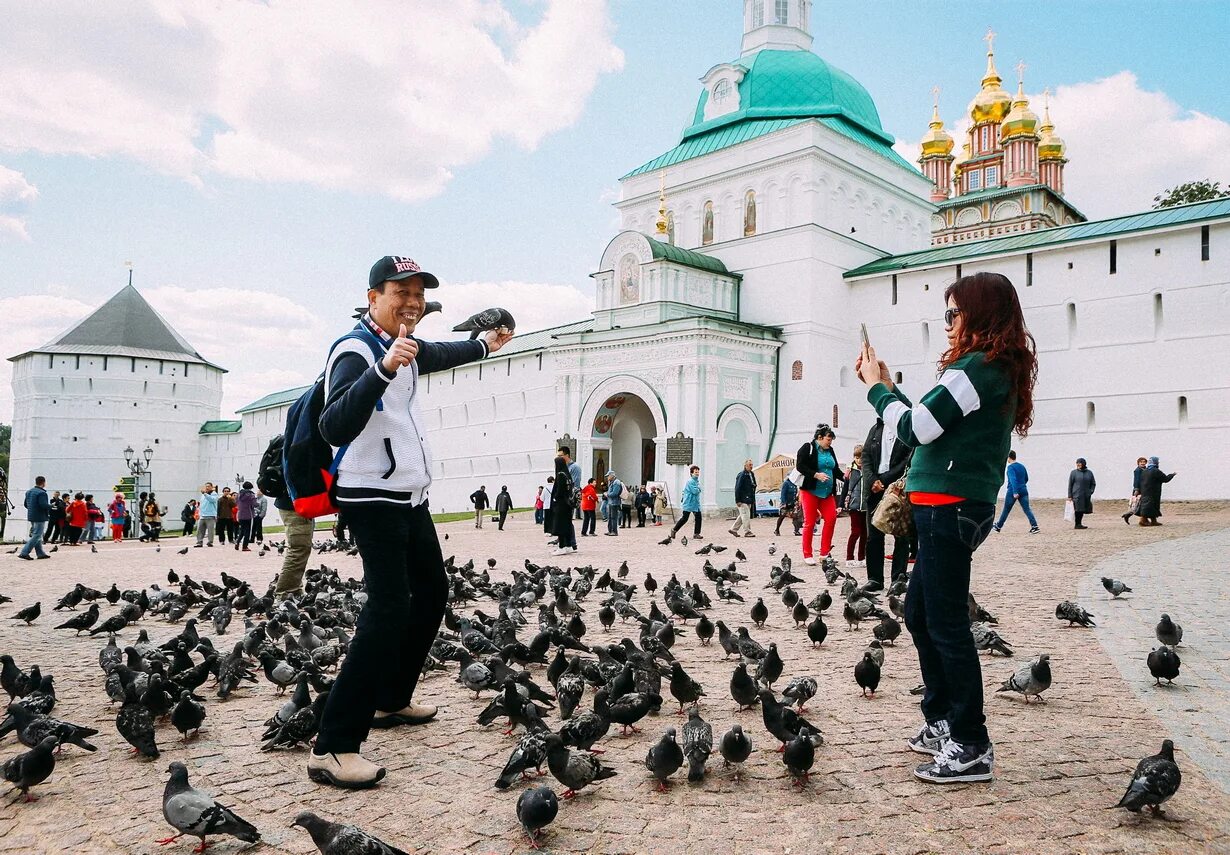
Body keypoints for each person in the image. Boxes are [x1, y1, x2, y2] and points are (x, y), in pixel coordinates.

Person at [307, 253, 511, 789]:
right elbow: (334, 425)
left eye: (419, 296)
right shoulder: (354, 350)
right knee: (389, 607)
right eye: (401, 293)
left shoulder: (406, 345)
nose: (413, 304)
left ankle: (391, 700)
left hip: (407, 495)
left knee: (433, 592)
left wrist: (487, 344)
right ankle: (332, 746)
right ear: (374, 296)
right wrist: (383, 369)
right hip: (371, 496)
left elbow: (444, 352)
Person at [858, 270, 1038, 786]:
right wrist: (890, 387)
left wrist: (875, 390)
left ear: (977, 315)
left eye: (953, 313)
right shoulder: (990, 369)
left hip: (949, 506)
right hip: (954, 504)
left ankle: (971, 742)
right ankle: (942, 719)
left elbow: (917, 428)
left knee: (946, 623)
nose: (948, 324)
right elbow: (931, 422)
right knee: (919, 611)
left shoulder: (975, 369)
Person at [861, 416, 913, 590]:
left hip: (897, 488)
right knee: (873, 536)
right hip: (875, 488)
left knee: (901, 534)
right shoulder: (875, 429)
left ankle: (898, 577)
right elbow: (866, 457)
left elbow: (908, 460)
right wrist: (871, 480)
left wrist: (885, 479)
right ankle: (875, 579)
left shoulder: (905, 430)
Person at [795, 425, 844, 566]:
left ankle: (824, 553)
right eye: (828, 439)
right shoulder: (807, 448)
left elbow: (835, 470)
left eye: (831, 440)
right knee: (810, 522)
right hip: (811, 491)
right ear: (819, 438)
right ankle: (807, 553)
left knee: (831, 518)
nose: (830, 442)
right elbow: (800, 466)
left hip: (827, 493)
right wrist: (816, 475)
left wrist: (846, 478)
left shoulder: (830, 450)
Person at [274, 491, 314, 599]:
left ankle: (294, 589)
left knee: (301, 548)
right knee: (298, 549)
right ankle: (285, 592)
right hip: (296, 505)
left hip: (294, 503)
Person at [993, 451, 1039, 533]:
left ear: (1009, 457)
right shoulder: (1022, 466)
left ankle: (998, 526)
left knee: (1006, 509)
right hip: (1024, 490)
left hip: (1013, 491)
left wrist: (1015, 491)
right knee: (1027, 509)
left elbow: (1013, 480)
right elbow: (1026, 478)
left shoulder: (1011, 468)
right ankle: (1034, 526)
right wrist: (1022, 486)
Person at [842, 445, 866, 565]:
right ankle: (849, 558)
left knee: (865, 533)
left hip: (866, 506)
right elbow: (845, 489)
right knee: (855, 532)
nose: (859, 460)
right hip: (854, 506)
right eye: (857, 457)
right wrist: (841, 504)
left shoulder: (869, 470)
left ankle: (862, 558)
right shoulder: (850, 471)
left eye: (861, 457)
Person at [17, 476, 50, 560]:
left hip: (31, 515)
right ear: (43, 483)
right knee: (37, 535)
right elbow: (43, 505)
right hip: (40, 516)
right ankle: (24, 552)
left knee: (37, 535)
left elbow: (25, 504)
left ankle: (40, 553)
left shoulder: (29, 492)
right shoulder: (42, 493)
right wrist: (51, 506)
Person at [1136, 457, 1176, 526]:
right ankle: (1143, 521)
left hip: (1145, 491)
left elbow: (1140, 481)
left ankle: (1153, 521)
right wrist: (1172, 475)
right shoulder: (1156, 471)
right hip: (1153, 492)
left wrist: (1139, 490)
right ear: (1155, 462)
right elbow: (1165, 479)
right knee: (1151, 506)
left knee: (1148, 506)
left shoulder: (1145, 471)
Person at [549, 457, 577, 555]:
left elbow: (560, 491)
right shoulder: (567, 474)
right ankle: (569, 545)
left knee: (560, 525)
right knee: (567, 525)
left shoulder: (560, 475)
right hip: (568, 504)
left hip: (561, 504)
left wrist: (555, 498)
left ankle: (562, 547)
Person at [670, 465, 703, 539]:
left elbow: (697, 490)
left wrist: (698, 489)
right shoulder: (690, 481)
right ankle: (674, 530)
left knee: (698, 518)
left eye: (698, 472)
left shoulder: (696, 481)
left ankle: (696, 534)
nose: (697, 473)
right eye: (695, 472)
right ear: (691, 473)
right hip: (689, 503)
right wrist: (699, 488)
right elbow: (695, 491)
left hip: (695, 504)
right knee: (685, 518)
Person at [731, 459, 757, 538]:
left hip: (749, 498)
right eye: (749, 465)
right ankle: (747, 531)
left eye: (752, 465)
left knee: (743, 515)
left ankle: (733, 529)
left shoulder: (751, 474)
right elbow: (737, 488)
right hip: (742, 499)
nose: (751, 466)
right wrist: (737, 500)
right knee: (746, 516)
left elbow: (753, 485)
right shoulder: (742, 475)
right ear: (745, 466)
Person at [1067, 459, 1096, 530]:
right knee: (1077, 509)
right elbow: (1070, 484)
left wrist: (1091, 491)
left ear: (1083, 464)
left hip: (1086, 495)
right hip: (1076, 494)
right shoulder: (1073, 473)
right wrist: (1070, 496)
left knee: (1082, 509)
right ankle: (1077, 524)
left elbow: (1093, 483)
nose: (1078, 465)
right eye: (1077, 463)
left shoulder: (1089, 473)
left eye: (1079, 463)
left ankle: (1079, 524)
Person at [1122, 457, 1148, 524]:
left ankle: (1128, 515)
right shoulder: (1137, 470)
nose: (1143, 463)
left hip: (1144, 489)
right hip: (1139, 489)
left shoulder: (1145, 469)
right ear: (1138, 463)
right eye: (1141, 462)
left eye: (1144, 462)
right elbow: (1136, 480)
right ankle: (1128, 515)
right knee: (1136, 504)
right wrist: (1136, 489)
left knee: (1140, 505)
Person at [560, 447, 582, 521]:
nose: (559, 458)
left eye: (561, 455)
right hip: (563, 497)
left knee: (567, 521)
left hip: (569, 497)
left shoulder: (575, 467)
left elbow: (575, 484)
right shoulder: (563, 467)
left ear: (567, 455)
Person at [195, 483, 219, 547]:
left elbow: (212, 500)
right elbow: (202, 504)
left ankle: (210, 542)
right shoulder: (203, 495)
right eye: (206, 486)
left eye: (208, 486)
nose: (207, 487)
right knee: (200, 530)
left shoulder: (214, 494)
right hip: (202, 515)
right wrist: (199, 513)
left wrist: (205, 494)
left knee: (210, 530)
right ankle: (199, 542)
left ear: (212, 487)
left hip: (210, 515)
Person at [235, 481, 257, 551]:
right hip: (248, 514)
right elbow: (254, 504)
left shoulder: (239, 495)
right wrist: (258, 504)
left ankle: (237, 542)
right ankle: (245, 546)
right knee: (247, 531)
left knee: (241, 530)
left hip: (240, 514)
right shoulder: (251, 495)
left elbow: (236, 502)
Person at [604, 472, 623, 536]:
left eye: (608, 476)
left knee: (613, 517)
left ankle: (614, 531)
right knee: (609, 517)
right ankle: (610, 530)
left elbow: (615, 493)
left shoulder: (616, 483)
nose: (607, 477)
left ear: (612, 476)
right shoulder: (612, 482)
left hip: (614, 502)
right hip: (611, 502)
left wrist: (607, 494)